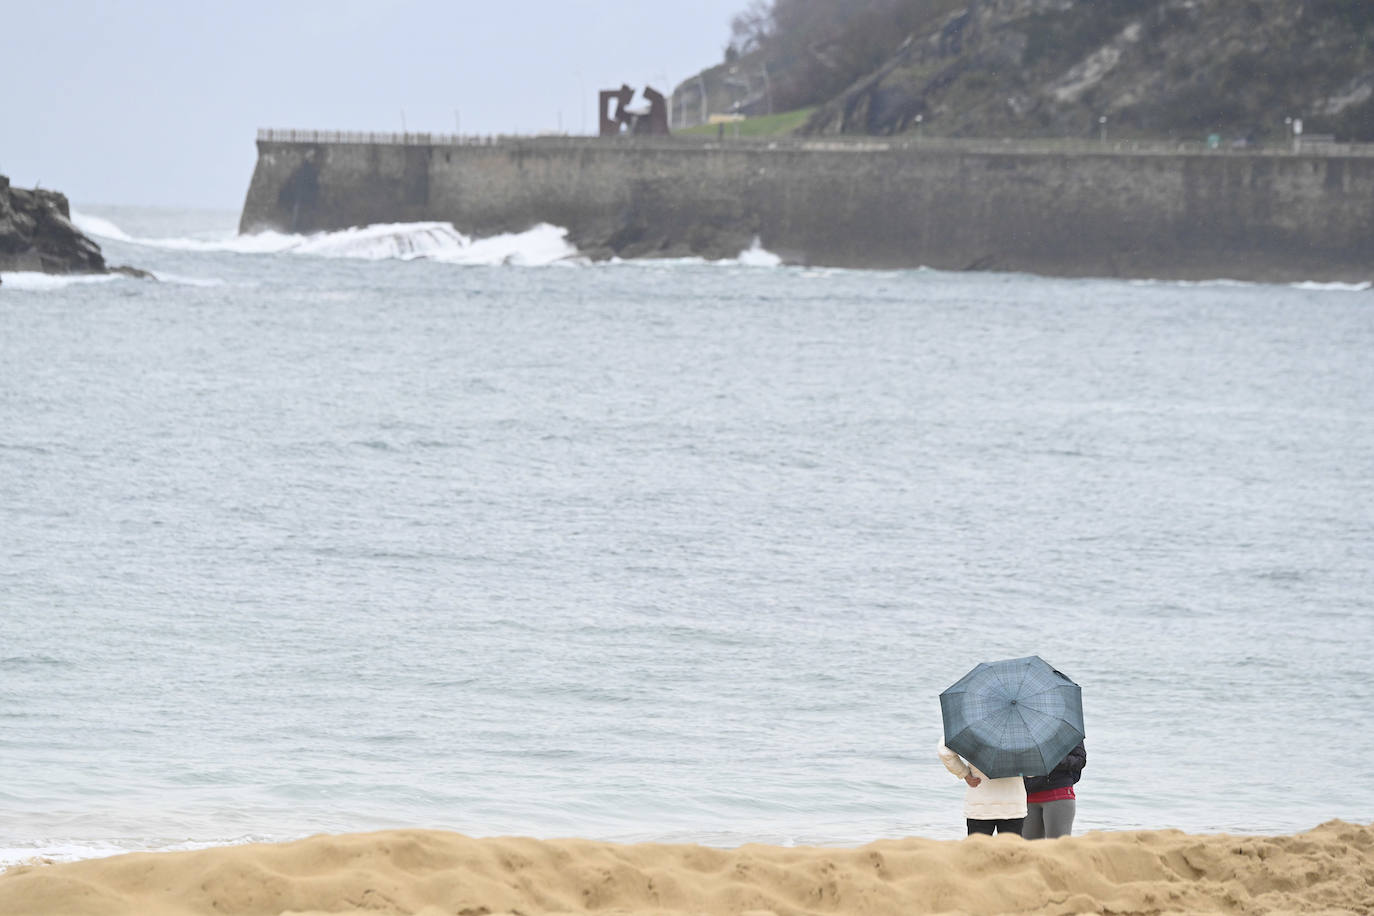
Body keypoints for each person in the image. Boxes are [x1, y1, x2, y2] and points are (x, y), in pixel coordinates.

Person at [938, 741, 1026, 836]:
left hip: (980, 803)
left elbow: (944, 749)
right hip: (1013, 804)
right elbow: (1032, 773)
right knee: (1010, 850)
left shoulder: (974, 728)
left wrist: (965, 773)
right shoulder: (1020, 731)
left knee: (977, 850)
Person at [1021, 740, 1086, 839]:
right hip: (1028, 794)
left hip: (1058, 793)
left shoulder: (1064, 727)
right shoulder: (1021, 728)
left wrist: (1052, 760)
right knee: (1029, 851)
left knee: (1059, 848)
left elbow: (1080, 760)